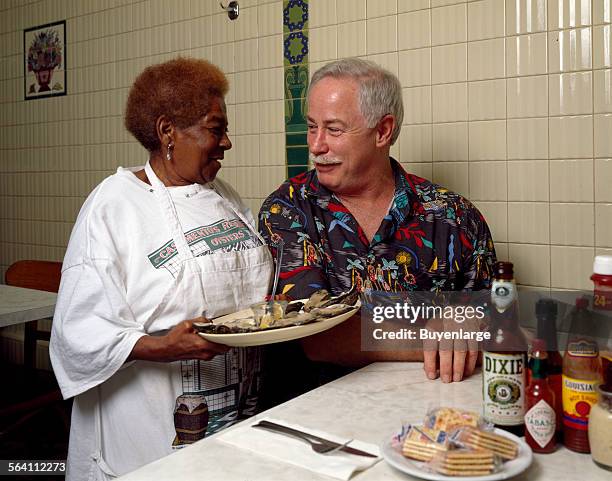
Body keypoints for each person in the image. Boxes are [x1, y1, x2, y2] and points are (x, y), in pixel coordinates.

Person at [50, 58, 273, 480]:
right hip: (146, 430)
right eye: (215, 128)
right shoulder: (114, 205)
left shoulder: (222, 195)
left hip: (235, 413)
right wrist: (164, 347)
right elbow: (76, 334)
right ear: (168, 131)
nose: (226, 142)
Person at [259, 58, 496, 396]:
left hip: (428, 421)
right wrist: (433, 335)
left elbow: (499, 329)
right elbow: (316, 334)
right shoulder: (287, 210)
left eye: (334, 129)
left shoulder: (455, 218)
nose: (316, 145)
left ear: (383, 131)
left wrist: (469, 322)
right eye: (312, 127)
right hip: (311, 426)